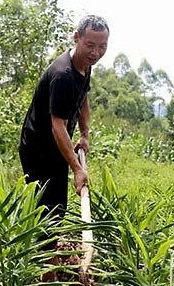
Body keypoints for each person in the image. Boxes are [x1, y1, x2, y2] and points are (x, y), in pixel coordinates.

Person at [18, 14, 109, 253]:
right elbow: (57, 126)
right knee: (45, 205)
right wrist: (78, 169)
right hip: (38, 148)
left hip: (59, 145)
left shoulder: (84, 66)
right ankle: (41, 262)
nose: (96, 52)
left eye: (102, 47)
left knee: (57, 205)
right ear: (77, 38)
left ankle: (47, 254)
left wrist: (85, 134)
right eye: (90, 45)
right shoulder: (63, 76)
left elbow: (84, 99)